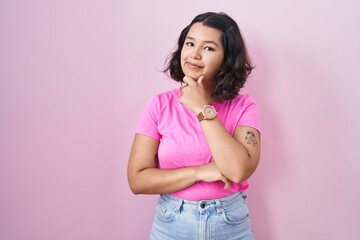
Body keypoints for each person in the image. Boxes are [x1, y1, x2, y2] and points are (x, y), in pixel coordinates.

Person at [127, 12, 261, 240]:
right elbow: (137, 180)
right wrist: (201, 172)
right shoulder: (160, 105)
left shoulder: (244, 106)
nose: (194, 55)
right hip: (171, 223)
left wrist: (201, 109)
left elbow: (238, 170)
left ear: (227, 58)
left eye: (208, 48)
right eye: (190, 43)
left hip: (230, 224)